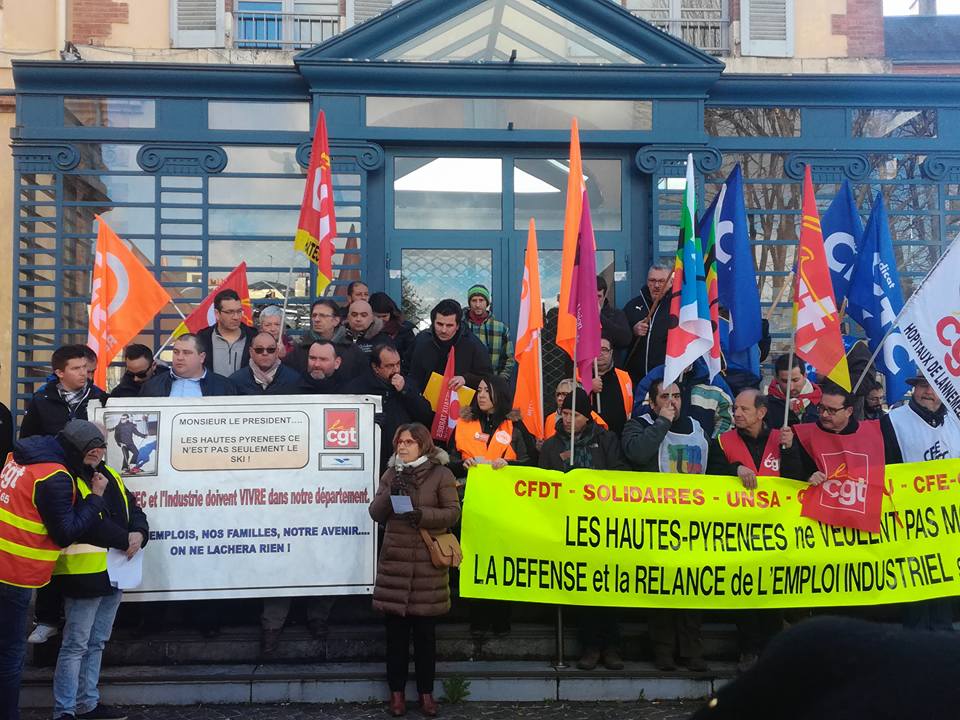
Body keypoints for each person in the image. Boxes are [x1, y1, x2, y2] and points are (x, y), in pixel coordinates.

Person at [0, 427, 110, 720]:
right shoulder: (56, 476)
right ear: (81, 450)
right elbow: (65, 533)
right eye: (91, 455)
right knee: (10, 656)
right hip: (13, 572)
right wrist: (96, 497)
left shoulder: (20, 457)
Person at [51, 420, 148, 720]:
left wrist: (139, 533)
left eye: (101, 445)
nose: (97, 451)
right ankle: (65, 710)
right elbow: (87, 524)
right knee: (76, 644)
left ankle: (87, 704)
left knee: (96, 642)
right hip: (83, 573)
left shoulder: (110, 474)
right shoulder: (67, 477)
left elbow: (134, 509)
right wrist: (125, 539)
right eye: (91, 445)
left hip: (114, 571)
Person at [368, 423, 461, 718]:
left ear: (423, 445)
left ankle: (426, 694)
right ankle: (396, 695)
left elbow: (453, 512)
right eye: (400, 442)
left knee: (425, 639)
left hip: (426, 568)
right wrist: (390, 493)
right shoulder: (390, 474)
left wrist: (423, 516)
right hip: (395, 565)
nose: (403, 447)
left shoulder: (441, 474)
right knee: (395, 638)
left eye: (409, 442)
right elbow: (375, 512)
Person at [538, 387, 628, 670]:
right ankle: (590, 647)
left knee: (608, 589)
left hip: (605, 525)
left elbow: (619, 473)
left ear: (587, 417)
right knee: (583, 590)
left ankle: (611, 647)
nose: (567, 419)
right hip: (569, 527)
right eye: (564, 413)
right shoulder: (552, 446)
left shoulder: (606, 439)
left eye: (574, 414)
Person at [622, 379, 708, 671]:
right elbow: (637, 453)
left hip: (691, 523)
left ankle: (692, 650)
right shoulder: (638, 425)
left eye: (677, 395)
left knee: (691, 587)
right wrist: (662, 423)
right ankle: (663, 651)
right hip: (655, 521)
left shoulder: (697, 427)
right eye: (665, 396)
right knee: (660, 587)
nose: (672, 401)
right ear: (652, 401)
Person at [706, 389, 785, 671]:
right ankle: (748, 650)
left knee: (774, 594)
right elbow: (712, 477)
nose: (736, 414)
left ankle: (774, 651)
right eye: (735, 409)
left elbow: (796, 476)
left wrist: (791, 450)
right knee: (745, 591)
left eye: (743, 409)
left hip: (777, 531)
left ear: (761, 413)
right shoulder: (722, 442)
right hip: (739, 532)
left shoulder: (782, 440)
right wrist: (735, 469)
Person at [449, 375, 528, 639]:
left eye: (487, 390)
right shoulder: (463, 423)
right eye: (480, 390)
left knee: (501, 561)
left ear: (499, 395)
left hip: (505, 504)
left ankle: (502, 620)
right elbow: (448, 459)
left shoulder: (516, 426)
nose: (481, 395)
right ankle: (478, 621)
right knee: (475, 561)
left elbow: (530, 462)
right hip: (471, 500)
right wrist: (462, 465)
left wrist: (510, 466)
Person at [881, 373, 960, 631]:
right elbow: (887, 467)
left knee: (944, 574)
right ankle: (915, 636)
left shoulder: (955, 419)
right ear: (914, 388)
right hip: (910, 517)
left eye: (935, 387)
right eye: (923, 386)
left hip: (949, 518)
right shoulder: (893, 421)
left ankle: (943, 632)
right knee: (915, 577)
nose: (929, 392)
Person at [344, 344, 433, 476]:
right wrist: (368, 419)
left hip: (402, 457)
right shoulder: (357, 388)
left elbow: (426, 415)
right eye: (389, 366)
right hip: (370, 458)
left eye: (398, 364)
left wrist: (405, 391)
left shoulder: (408, 384)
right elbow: (344, 423)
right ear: (375, 367)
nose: (396, 370)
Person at [780, 381, 885, 490]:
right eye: (821, 408)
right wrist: (807, 477)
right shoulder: (803, 435)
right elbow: (789, 477)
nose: (824, 414)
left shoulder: (873, 433)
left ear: (848, 411)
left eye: (832, 410)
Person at [20, 345, 108, 439]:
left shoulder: (100, 398)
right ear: (60, 373)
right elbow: (27, 441)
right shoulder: (41, 400)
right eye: (76, 368)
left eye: (84, 367)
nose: (83, 373)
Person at [407, 299, 493, 396]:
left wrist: (466, 379)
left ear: (457, 326)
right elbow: (407, 370)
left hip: (459, 402)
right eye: (439, 324)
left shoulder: (472, 344)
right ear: (433, 322)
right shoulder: (421, 340)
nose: (443, 330)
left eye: (449, 325)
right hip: (423, 401)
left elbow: (488, 376)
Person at [140, 334, 236, 398]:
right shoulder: (152, 386)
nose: (179, 358)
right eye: (176, 352)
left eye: (186, 353)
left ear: (202, 357)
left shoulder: (224, 387)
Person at [623, 264, 673, 382]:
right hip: (636, 378)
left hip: (666, 378)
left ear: (671, 283)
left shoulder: (677, 307)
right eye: (652, 280)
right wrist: (633, 331)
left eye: (662, 281)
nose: (656, 285)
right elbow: (621, 338)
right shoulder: (632, 306)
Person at [196, 289, 258, 378]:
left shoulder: (253, 337)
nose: (236, 317)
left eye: (239, 311)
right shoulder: (203, 338)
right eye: (230, 312)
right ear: (217, 314)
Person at [462, 284, 516, 381]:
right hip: (464, 383)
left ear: (487, 302)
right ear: (469, 303)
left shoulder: (500, 328)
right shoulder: (460, 326)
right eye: (474, 300)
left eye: (481, 300)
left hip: (491, 382)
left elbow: (509, 359)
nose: (477, 305)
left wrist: (500, 381)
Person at [332, 300, 392, 380]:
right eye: (354, 315)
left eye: (363, 315)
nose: (358, 319)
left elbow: (390, 368)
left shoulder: (382, 340)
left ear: (372, 318)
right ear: (348, 317)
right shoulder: (337, 338)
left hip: (371, 385)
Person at [229, 331, 300, 395]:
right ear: (251, 352)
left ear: (277, 352)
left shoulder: (294, 380)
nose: (265, 353)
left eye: (271, 349)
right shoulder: (236, 381)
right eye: (259, 349)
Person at [284, 299, 342, 374]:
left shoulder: (349, 349)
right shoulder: (299, 351)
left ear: (336, 321)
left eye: (322, 316)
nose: (316, 319)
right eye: (314, 315)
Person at [590, 335, 634, 436]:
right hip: (591, 438)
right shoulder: (579, 376)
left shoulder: (624, 377)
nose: (600, 353)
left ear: (611, 352)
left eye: (604, 349)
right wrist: (588, 387)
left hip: (619, 436)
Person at [765, 353, 821, 430]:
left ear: (805, 376)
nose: (791, 387)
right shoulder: (766, 404)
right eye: (785, 381)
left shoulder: (822, 401)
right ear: (776, 378)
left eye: (795, 380)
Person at [370, 292, 416, 361]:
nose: (381, 320)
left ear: (391, 314)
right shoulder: (365, 330)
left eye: (384, 316)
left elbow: (411, 356)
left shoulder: (404, 329)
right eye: (378, 316)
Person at [596, 276, 631, 350]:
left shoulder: (617, 314)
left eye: (598, 296)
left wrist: (600, 317)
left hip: (609, 356)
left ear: (604, 297)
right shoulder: (579, 315)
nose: (595, 300)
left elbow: (626, 340)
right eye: (591, 296)